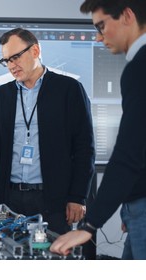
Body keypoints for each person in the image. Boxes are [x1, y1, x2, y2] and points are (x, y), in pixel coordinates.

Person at [50, 0, 146, 259]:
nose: (99, 37)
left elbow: (130, 152)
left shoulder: (139, 68)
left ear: (127, 15)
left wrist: (90, 225)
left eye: (102, 26)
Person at [0, 28, 95, 235]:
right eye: (6, 61)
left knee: (53, 260)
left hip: (54, 200)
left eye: (15, 57)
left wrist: (78, 196)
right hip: (10, 199)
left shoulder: (69, 90)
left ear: (35, 50)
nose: (12, 66)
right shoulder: (0, 96)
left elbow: (85, 147)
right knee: (9, 257)